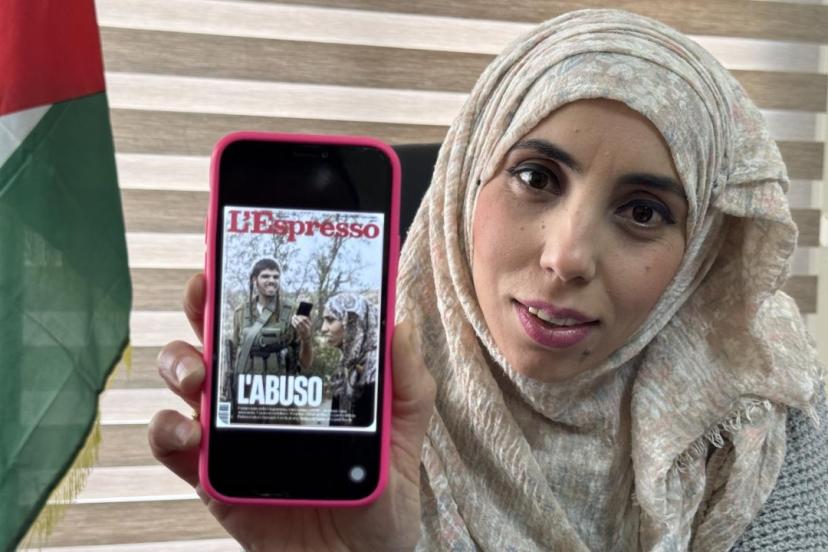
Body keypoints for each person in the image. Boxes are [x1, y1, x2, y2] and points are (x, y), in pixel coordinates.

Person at [150, 9, 828, 551]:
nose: (566, 257)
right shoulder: (370, 413)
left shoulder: (773, 443)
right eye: (535, 177)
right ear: (463, 184)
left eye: (643, 212)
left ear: (700, 254)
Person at [230, 257, 312, 378]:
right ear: (254, 279)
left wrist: (306, 338)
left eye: (276, 277)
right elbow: (234, 352)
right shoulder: (241, 312)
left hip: (282, 386)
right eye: (265, 276)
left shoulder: (293, 312)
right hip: (248, 385)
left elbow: (306, 363)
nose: (272, 280)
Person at [320, 293, 379, 427]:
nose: (323, 329)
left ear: (353, 322)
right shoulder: (345, 365)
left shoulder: (375, 372)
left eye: (330, 320)